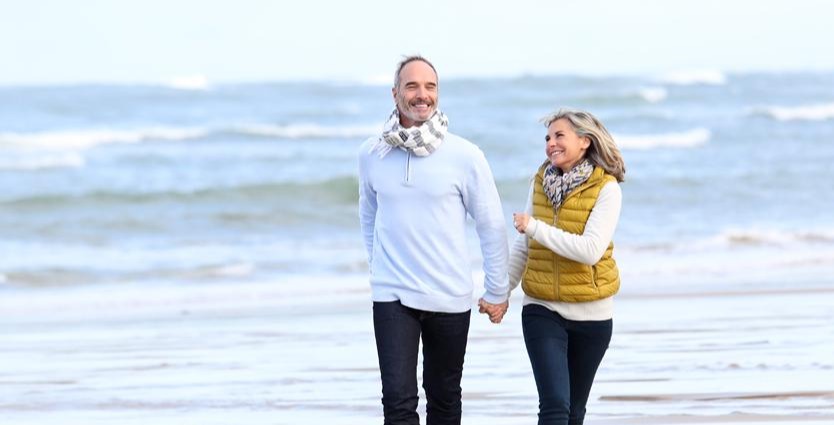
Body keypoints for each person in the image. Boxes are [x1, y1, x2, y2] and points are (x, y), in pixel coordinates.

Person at [357, 55, 510, 425]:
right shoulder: (372, 153)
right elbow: (368, 214)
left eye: (430, 86)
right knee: (397, 401)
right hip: (392, 294)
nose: (422, 94)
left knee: (443, 398)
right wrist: (378, 268)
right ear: (395, 94)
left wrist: (497, 290)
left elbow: (490, 224)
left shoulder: (465, 155)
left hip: (449, 294)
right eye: (412, 86)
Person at [508, 108, 626, 425]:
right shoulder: (540, 182)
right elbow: (524, 245)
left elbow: (589, 251)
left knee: (574, 411)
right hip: (542, 307)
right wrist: (499, 291)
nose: (550, 143)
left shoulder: (607, 189)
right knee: (555, 406)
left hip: (593, 315)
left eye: (559, 135)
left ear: (585, 141)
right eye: (547, 137)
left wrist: (535, 227)